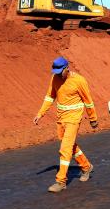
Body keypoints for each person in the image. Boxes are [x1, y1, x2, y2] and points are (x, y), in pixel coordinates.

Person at [33, 56, 99, 193]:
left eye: (59, 71)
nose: (57, 74)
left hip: (74, 119)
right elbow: (50, 97)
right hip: (61, 119)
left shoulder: (79, 81)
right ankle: (86, 167)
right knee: (70, 145)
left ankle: (61, 181)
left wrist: (93, 118)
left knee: (65, 149)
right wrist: (40, 114)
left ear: (67, 69)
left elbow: (88, 100)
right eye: (55, 72)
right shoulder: (55, 78)